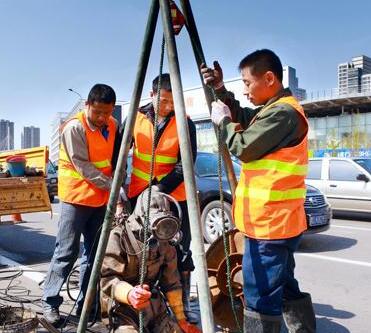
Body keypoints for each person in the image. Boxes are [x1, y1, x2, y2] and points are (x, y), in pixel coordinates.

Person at [201, 49, 316, 332]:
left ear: (269, 78)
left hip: (270, 226)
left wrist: (223, 123)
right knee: (285, 286)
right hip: (277, 222)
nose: (245, 90)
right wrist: (220, 91)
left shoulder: (284, 113)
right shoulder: (274, 110)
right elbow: (245, 116)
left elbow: (243, 146)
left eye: (248, 83)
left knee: (260, 297)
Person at [113, 73, 197, 323]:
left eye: (174, 101)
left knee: (179, 251)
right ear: (152, 95)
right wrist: (120, 195)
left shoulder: (185, 122)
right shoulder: (135, 118)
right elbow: (118, 159)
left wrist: (159, 189)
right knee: (139, 250)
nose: (169, 106)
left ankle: (182, 306)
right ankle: (138, 301)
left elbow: (186, 165)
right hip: (139, 197)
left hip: (173, 198)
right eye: (164, 100)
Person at [42, 84, 117, 325]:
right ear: (87, 105)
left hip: (100, 199)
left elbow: (113, 158)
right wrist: (113, 186)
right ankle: (50, 303)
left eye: (107, 112)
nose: (103, 118)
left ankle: (88, 306)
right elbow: (82, 165)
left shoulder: (113, 125)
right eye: (98, 112)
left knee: (94, 255)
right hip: (76, 199)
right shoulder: (75, 127)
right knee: (66, 252)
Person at [100, 189, 200, 333]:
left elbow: (172, 282)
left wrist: (182, 320)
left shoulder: (164, 237)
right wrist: (129, 294)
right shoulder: (119, 236)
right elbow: (107, 280)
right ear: (142, 217)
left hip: (154, 307)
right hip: (122, 309)